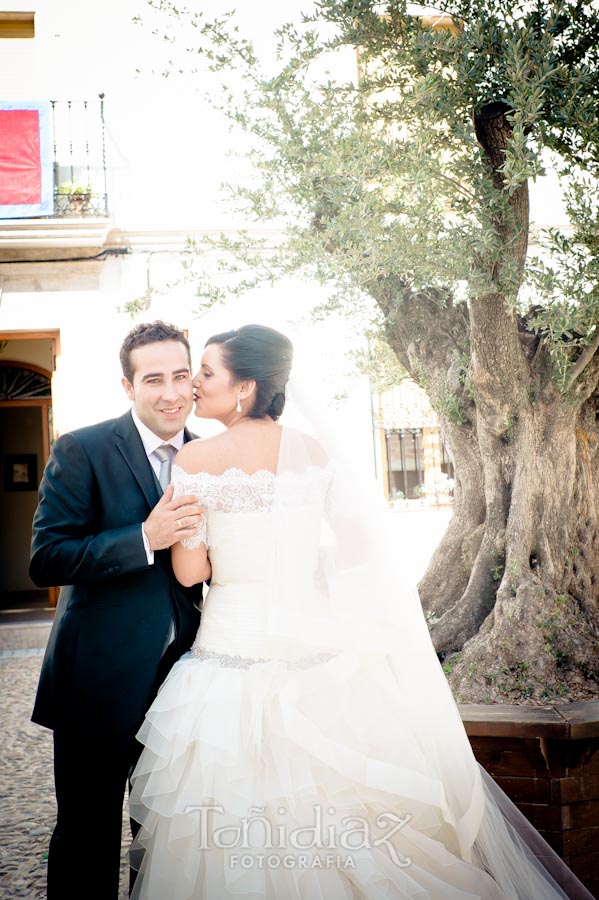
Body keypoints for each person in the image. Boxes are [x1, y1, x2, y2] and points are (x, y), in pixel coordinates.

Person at [129, 324, 593, 900]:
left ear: (244, 387)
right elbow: (355, 550)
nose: (194, 385)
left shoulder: (196, 457)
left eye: (205, 372)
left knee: (225, 811)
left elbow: (190, 572)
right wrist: (298, 571)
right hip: (311, 646)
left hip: (233, 645)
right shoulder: (317, 453)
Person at [30, 321, 205, 900]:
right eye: (153, 379)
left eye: (181, 375)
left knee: (166, 838)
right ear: (128, 387)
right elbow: (47, 559)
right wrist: (143, 537)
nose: (171, 392)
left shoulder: (210, 456)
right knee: (86, 834)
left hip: (186, 685)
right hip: (95, 682)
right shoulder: (82, 449)